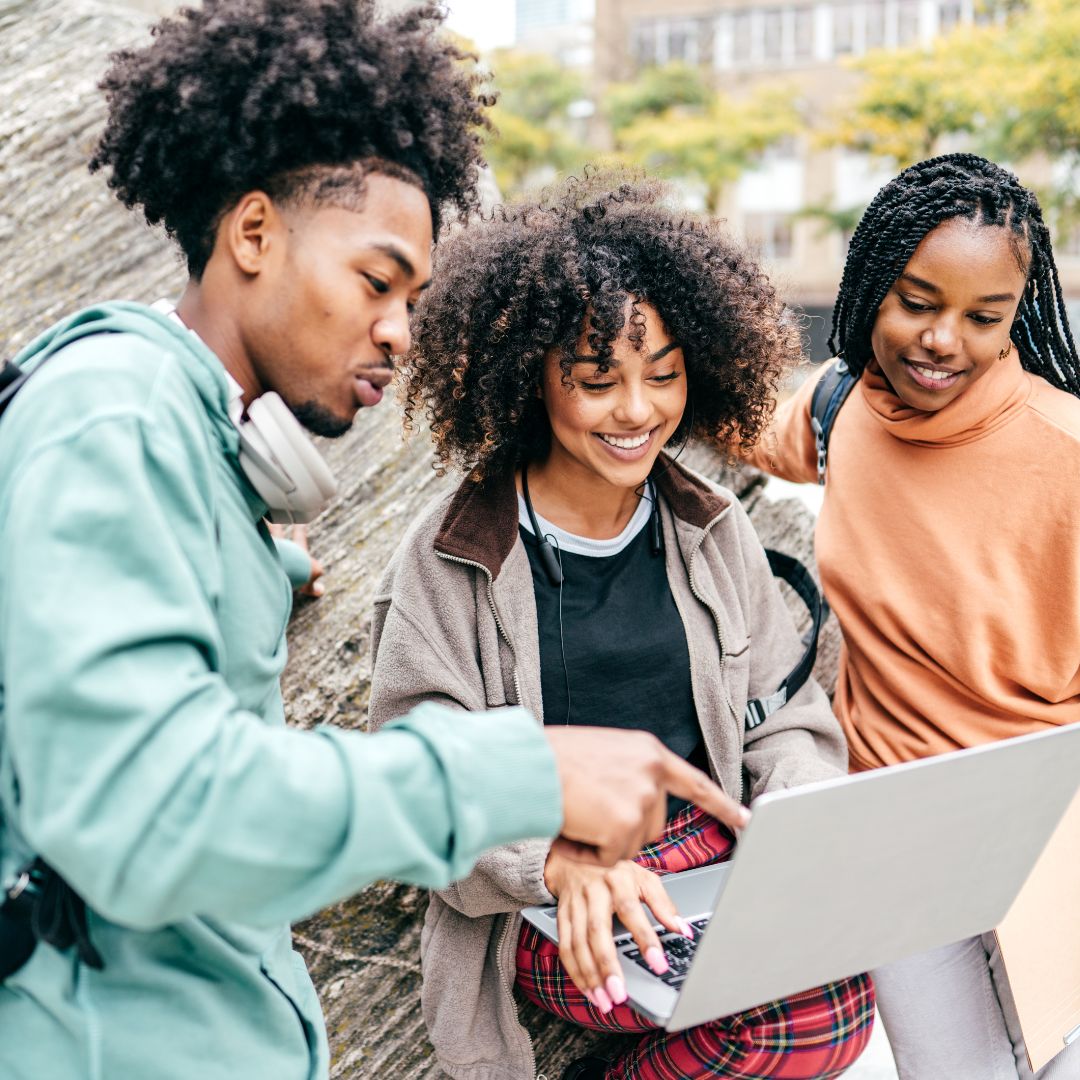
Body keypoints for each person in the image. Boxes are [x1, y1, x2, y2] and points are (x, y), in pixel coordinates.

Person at [0, 6, 743, 1078]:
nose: (401, 329)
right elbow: (151, 817)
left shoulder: (190, 459)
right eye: (376, 281)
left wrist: (261, 564)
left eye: (417, 298)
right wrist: (519, 769)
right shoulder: (114, 422)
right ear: (252, 235)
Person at [368, 178, 876, 1080]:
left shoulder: (712, 527)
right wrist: (553, 862)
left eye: (666, 374)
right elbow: (420, 769)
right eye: (598, 380)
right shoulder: (451, 555)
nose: (638, 410)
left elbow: (785, 720)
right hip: (549, 885)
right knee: (789, 1022)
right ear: (532, 377)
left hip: (712, 858)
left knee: (847, 994)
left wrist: (795, 816)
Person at [745, 153, 1080, 1079]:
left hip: (1050, 836)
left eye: (985, 317)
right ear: (866, 289)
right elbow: (714, 412)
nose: (943, 341)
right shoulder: (842, 411)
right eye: (917, 301)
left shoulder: (1067, 456)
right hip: (898, 841)